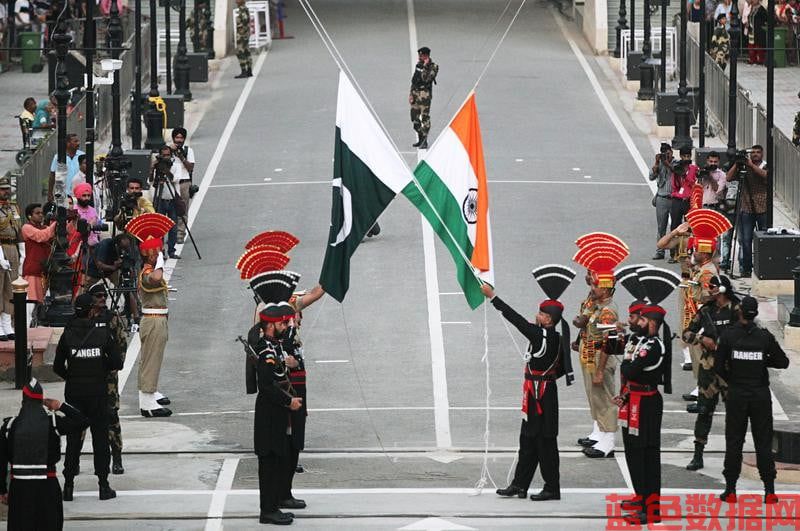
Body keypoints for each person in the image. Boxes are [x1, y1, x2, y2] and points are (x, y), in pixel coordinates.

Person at [487, 265, 574, 502]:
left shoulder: (541, 336)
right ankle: (520, 484)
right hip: (540, 391)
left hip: (541, 395)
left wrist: (493, 298)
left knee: (545, 442)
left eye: (540, 313)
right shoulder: (555, 336)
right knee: (527, 439)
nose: (536, 315)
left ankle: (552, 487)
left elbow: (515, 320)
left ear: (547, 318)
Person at [716, 296, 789, 504]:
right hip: (760, 394)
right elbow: (782, 362)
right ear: (755, 313)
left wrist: (733, 380)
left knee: (734, 441)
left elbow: (719, 366)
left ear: (739, 312)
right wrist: (763, 361)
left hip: (738, 393)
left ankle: (730, 490)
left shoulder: (729, 336)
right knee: (763, 442)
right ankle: (769, 491)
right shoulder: (764, 338)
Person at [53, 293, 124, 502]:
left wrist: (72, 377)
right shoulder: (101, 334)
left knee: (74, 440)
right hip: (97, 394)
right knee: (100, 440)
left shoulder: (67, 334)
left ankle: (68, 486)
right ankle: (103, 486)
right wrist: (100, 370)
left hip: (75, 394)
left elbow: (58, 366)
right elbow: (117, 362)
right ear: (90, 311)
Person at [0, 379, 90, 531]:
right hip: (47, 486)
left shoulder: (9, 426)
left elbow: (1, 462)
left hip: (20, 489)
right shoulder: (53, 422)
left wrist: (2, 490)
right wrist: (60, 406)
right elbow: (83, 421)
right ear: (41, 401)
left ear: (23, 401)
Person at [572, 235, 628, 459]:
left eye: (595, 284)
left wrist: (599, 370)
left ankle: (607, 442)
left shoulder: (607, 311)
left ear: (605, 289)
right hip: (590, 353)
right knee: (594, 396)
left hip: (600, 359)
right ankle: (598, 432)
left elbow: (609, 343)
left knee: (605, 398)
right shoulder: (597, 302)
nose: (592, 286)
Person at [248, 302, 303, 525]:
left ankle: (272, 506)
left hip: (275, 414)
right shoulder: (266, 351)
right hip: (269, 414)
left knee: (276, 459)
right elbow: (267, 385)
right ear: (270, 325)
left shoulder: (274, 346)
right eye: (281, 323)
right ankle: (268, 510)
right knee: (269, 463)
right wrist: (289, 401)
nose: (285, 326)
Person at [617, 303, 672, 524]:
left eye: (641, 320)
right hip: (634, 398)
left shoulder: (653, 346)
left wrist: (627, 364)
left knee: (647, 455)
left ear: (651, 323)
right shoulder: (642, 341)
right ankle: (641, 498)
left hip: (647, 404)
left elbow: (629, 369)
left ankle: (651, 509)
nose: (637, 323)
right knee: (634, 452)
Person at [683, 275, 739, 471]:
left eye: (712, 286)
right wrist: (701, 338)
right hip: (709, 370)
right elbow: (687, 333)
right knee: (704, 411)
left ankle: (733, 455)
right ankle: (698, 454)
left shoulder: (736, 309)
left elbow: (749, 332)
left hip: (730, 370)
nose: (709, 289)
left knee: (734, 414)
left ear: (722, 289)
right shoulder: (706, 311)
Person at [87, 283, 128, 475]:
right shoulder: (83, 318)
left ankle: (117, 457)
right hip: (87, 376)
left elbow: (122, 343)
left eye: (104, 295)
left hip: (108, 377)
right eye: (98, 296)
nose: (103, 298)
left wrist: (115, 365)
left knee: (111, 416)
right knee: (82, 416)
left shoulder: (112, 318)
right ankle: (75, 459)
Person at [137, 239, 172, 417]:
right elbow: (156, 278)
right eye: (157, 252)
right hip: (153, 320)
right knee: (151, 360)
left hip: (157, 319)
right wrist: (159, 263)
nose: (161, 253)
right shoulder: (147, 272)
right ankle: (147, 403)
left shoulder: (150, 270)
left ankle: (151, 392)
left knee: (153, 358)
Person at [725, 145, 767, 278]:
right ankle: (747, 268)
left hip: (763, 207)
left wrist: (750, 164)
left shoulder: (764, 166)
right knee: (746, 240)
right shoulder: (743, 167)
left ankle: (764, 267)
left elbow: (765, 176)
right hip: (746, 207)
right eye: (753, 152)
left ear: (762, 154)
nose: (755, 155)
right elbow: (729, 178)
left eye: (758, 152)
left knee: (763, 239)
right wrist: (737, 164)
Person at [150, 145, 182, 259]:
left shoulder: (176, 165)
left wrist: (166, 169)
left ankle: (172, 251)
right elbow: (152, 182)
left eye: (168, 155)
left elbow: (174, 179)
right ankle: (161, 251)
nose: (166, 158)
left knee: (173, 227)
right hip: (160, 199)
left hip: (172, 200)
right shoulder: (158, 166)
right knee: (160, 228)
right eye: (164, 156)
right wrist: (153, 168)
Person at [668, 147, 698, 263]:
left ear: (691, 156)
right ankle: (673, 254)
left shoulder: (694, 168)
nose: (686, 158)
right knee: (675, 226)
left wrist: (685, 176)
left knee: (689, 227)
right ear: (680, 156)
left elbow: (694, 184)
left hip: (689, 201)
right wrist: (678, 173)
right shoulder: (677, 168)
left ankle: (687, 252)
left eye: (688, 156)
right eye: (684, 156)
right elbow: (674, 186)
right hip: (677, 200)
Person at [21, 203, 56, 304]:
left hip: (44, 271)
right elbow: (42, 236)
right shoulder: (26, 227)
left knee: (42, 303)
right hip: (32, 271)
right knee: (33, 302)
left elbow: (56, 233)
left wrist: (70, 220)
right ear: (29, 216)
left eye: (42, 213)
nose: (41, 215)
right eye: (37, 213)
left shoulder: (45, 227)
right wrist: (56, 223)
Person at [0, 178, 21, 341]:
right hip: (1, 249)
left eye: (7, 189)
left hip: (13, 249)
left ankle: (7, 323)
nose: (5, 192)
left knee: (11, 288)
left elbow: (18, 231)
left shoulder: (13, 207)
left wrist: (22, 251)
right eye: (2, 189)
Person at [409, 46, 439, 149]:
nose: (419, 57)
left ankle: (424, 140)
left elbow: (426, 79)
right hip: (416, 94)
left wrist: (426, 66)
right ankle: (420, 138)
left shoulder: (433, 67)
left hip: (425, 96)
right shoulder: (418, 65)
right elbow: (414, 80)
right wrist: (411, 94)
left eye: (421, 55)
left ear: (426, 56)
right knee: (414, 117)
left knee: (425, 118)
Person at [169, 127, 195, 245]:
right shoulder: (167, 150)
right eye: (177, 138)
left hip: (184, 183)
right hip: (171, 183)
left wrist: (181, 157)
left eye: (181, 138)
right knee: (169, 209)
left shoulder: (188, 151)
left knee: (182, 210)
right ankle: (171, 234)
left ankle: (180, 234)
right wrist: (170, 151)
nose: (179, 140)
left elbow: (191, 168)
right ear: (173, 138)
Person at [649, 143, 674, 260]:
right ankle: (660, 251)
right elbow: (651, 177)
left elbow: (677, 172)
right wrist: (657, 163)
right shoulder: (659, 163)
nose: (666, 155)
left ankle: (674, 253)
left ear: (672, 152)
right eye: (664, 153)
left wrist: (667, 163)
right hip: (662, 198)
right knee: (661, 227)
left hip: (674, 198)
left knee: (675, 227)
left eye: (668, 153)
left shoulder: (676, 163)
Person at [48, 133, 85, 201]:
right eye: (75, 141)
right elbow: (52, 175)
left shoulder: (82, 155)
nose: (78, 143)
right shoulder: (58, 157)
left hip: (80, 194)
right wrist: (50, 193)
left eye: (78, 141)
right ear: (68, 143)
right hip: (64, 194)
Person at [235, 0, 252, 78]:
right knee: (247, 51)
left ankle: (244, 71)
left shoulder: (242, 10)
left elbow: (245, 20)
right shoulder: (245, 9)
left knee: (240, 52)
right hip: (245, 33)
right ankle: (249, 70)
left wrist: (242, 30)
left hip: (242, 34)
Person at [747, 0, 767, 64]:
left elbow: (766, 18)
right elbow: (749, 17)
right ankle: (752, 59)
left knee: (759, 45)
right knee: (751, 45)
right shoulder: (752, 8)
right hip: (751, 30)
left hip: (759, 30)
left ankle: (760, 60)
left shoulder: (761, 9)